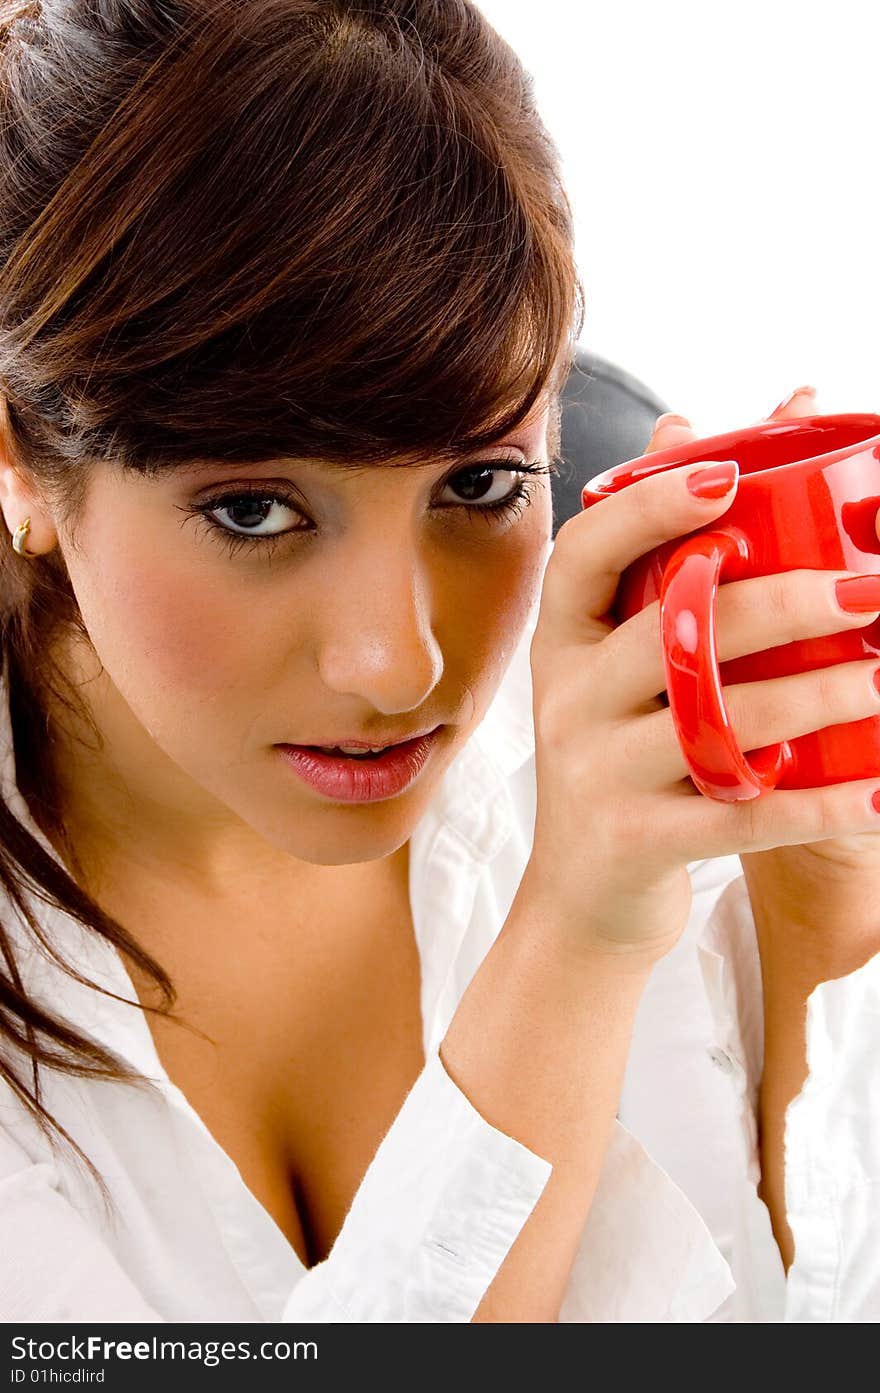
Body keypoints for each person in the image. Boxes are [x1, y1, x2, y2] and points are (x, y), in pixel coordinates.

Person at [0, 0, 878, 1325]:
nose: (400, 663)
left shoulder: (620, 734)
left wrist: (825, 910)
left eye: (479, 481)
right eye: (253, 511)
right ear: (16, 460)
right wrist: (570, 942)